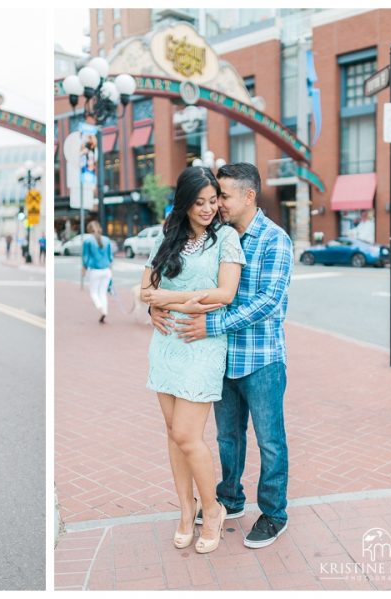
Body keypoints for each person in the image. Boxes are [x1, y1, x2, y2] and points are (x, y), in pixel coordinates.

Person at [153, 162, 294, 549]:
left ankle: (273, 512)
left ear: (249, 196)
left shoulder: (274, 239)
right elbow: (171, 278)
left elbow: (267, 301)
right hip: (222, 357)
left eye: (223, 197)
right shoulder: (221, 235)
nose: (218, 206)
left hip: (261, 357)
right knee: (228, 438)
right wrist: (155, 306)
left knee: (270, 440)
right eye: (212, 199)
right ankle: (229, 499)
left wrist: (211, 324)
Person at [142, 167, 245, 554]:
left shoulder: (227, 238)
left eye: (212, 200)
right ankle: (186, 511)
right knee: (173, 434)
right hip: (166, 343)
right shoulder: (165, 238)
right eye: (199, 202)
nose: (207, 208)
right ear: (185, 204)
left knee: (188, 435)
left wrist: (164, 300)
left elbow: (225, 293)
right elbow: (143, 289)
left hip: (202, 345)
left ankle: (213, 509)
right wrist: (163, 303)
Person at [82, 220, 114, 324]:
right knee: (103, 293)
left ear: (89, 230)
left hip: (95, 270)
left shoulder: (88, 241)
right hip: (106, 270)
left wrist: (84, 269)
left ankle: (100, 308)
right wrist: (110, 270)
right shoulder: (107, 240)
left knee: (93, 292)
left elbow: (85, 257)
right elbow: (110, 257)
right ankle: (105, 311)